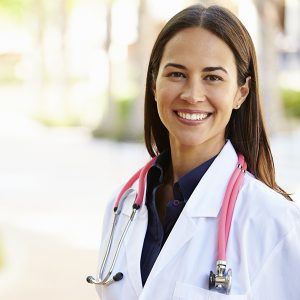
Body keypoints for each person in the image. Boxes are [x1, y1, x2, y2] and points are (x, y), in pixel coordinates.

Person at [92, 4, 300, 299]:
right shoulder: (121, 206)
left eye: (212, 77)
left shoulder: (273, 223)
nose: (191, 94)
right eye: (177, 74)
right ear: (154, 83)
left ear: (241, 93)